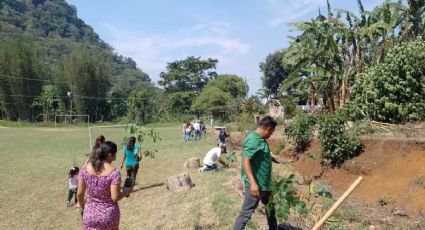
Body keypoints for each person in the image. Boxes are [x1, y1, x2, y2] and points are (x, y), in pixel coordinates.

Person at [233, 116, 278, 230]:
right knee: (246, 214)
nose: (271, 135)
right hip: (256, 186)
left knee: (271, 210)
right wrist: (253, 184)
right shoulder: (254, 139)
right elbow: (246, 160)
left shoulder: (260, 139)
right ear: (268, 129)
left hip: (266, 184)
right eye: (271, 132)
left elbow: (259, 155)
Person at [77, 141, 131, 230]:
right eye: (115, 154)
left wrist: (84, 207)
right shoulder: (114, 172)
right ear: (110, 155)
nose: (116, 156)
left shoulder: (85, 169)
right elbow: (115, 197)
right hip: (109, 217)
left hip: (89, 215)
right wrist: (126, 191)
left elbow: (79, 194)